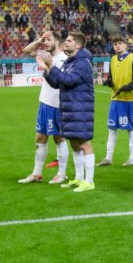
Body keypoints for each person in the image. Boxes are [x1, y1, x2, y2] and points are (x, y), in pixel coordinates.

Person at [36, 31, 96, 192]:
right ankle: (78, 178)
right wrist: (46, 69)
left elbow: (69, 81)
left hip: (80, 107)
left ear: (78, 45)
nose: (65, 43)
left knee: (84, 143)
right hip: (70, 107)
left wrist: (52, 67)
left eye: (69, 41)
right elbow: (57, 84)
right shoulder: (71, 62)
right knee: (75, 144)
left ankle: (89, 181)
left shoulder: (82, 62)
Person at [18, 30, 69, 185]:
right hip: (44, 103)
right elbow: (26, 51)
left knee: (59, 138)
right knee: (40, 137)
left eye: (49, 40)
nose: (45, 42)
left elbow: (63, 82)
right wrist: (40, 39)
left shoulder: (65, 59)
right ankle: (37, 174)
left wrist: (48, 67)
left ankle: (62, 174)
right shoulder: (45, 55)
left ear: (57, 42)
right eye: (44, 40)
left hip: (58, 105)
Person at [97, 35, 133, 167]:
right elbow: (111, 79)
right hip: (115, 99)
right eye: (115, 44)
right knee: (112, 128)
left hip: (128, 100)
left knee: (130, 129)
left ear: (125, 45)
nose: (117, 46)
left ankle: (132, 158)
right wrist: (107, 82)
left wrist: (122, 88)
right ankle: (108, 158)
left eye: (120, 43)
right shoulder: (113, 59)